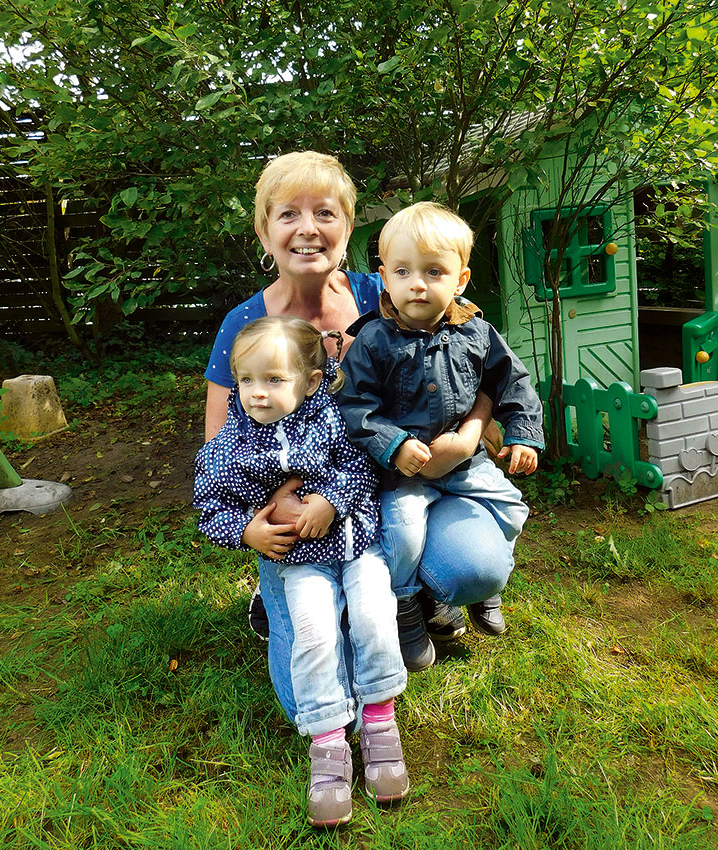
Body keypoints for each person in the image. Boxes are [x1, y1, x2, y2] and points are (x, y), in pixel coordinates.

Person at [203, 150, 514, 719]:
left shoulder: (397, 284)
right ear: (264, 232)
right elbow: (219, 443)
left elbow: (482, 359)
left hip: (404, 480)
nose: (307, 228)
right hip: (300, 506)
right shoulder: (244, 325)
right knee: (313, 687)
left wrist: (472, 432)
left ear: (349, 228)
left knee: (472, 567)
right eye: (287, 214)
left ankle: (416, 587)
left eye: (325, 212)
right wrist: (263, 507)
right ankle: (286, 590)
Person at [195, 317, 409, 827]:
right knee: (312, 639)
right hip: (300, 561)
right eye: (246, 380)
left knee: (375, 618)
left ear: (311, 381)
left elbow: (363, 465)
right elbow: (209, 507)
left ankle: (380, 722)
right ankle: (329, 744)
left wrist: (332, 502)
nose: (256, 393)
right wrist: (247, 531)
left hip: (359, 546)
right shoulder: (230, 445)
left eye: (274, 379)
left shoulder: (334, 418)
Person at [337, 202, 545, 671]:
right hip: (404, 472)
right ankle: (407, 607)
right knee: (403, 532)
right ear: (384, 276)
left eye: (434, 271)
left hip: (465, 462)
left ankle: (485, 590)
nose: (418, 284)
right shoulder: (373, 340)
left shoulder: (477, 332)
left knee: (513, 507)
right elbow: (354, 405)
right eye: (404, 271)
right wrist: (392, 444)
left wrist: (524, 435)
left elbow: (513, 381)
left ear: (461, 279)